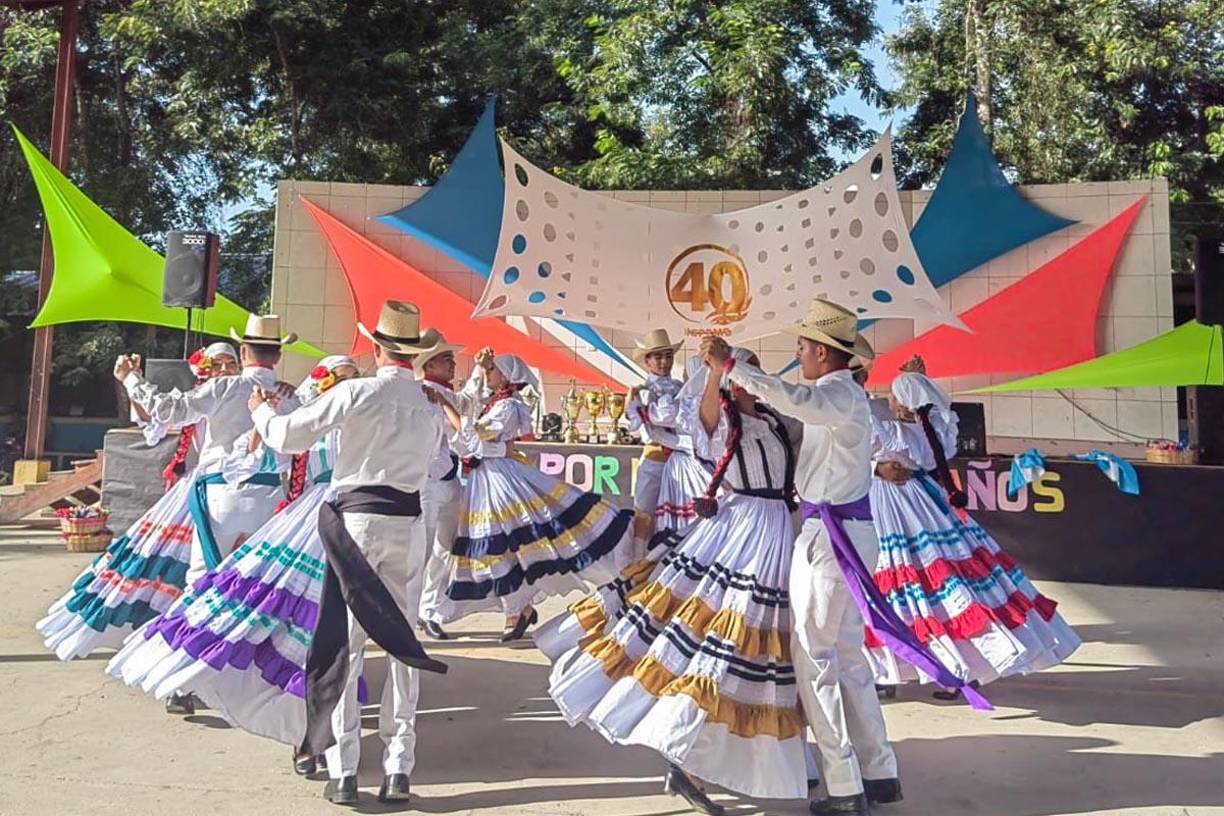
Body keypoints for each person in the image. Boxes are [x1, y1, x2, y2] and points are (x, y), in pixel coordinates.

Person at [537, 346, 806, 813]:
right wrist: (712, 368)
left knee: (760, 654)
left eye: (755, 371)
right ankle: (687, 762)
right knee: (726, 643)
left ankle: (741, 761)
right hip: (743, 530)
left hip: (776, 528)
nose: (752, 379)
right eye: (745, 373)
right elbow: (702, 419)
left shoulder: (778, 422)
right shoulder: (721, 423)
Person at [106, 356, 361, 778]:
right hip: (294, 522)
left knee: (325, 629)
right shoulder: (293, 415)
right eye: (340, 379)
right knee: (241, 603)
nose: (346, 388)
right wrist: (261, 434)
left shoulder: (348, 415)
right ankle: (198, 681)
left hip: (343, 522)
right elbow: (250, 451)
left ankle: (316, 734)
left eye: (353, 381)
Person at [251, 301, 446, 806]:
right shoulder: (428, 403)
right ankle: (399, 767)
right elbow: (435, 463)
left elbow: (289, 437)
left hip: (357, 522)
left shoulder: (359, 392)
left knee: (348, 643)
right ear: (413, 354)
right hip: (408, 521)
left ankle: (344, 769)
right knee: (402, 644)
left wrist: (262, 411)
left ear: (377, 347)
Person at [710, 299, 901, 816]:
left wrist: (735, 368)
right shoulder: (838, 398)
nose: (799, 357)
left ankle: (844, 785)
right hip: (843, 532)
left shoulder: (834, 393)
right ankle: (879, 771)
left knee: (814, 659)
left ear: (820, 351)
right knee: (846, 656)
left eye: (801, 348)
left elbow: (791, 398)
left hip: (829, 537)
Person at [117, 316, 300, 714]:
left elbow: (165, 409)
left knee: (202, 580)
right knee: (257, 583)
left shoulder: (225, 387)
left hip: (219, 494)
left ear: (245, 353)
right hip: (269, 497)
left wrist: (131, 378)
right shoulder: (292, 397)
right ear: (278, 355)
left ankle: (184, 679)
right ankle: (250, 675)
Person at [865, 365, 1081, 695]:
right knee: (945, 585)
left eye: (894, 394)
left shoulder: (888, 432)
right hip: (927, 503)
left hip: (892, 507)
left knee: (895, 586)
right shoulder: (930, 431)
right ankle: (957, 670)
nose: (889, 399)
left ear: (902, 401)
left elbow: (853, 448)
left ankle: (891, 673)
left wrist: (874, 468)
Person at [36, 342, 241, 664]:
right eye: (217, 365)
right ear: (205, 370)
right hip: (199, 493)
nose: (226, 371)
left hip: (244, 492)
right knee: (171, 572)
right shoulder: (204, 398)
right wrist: (131, 380)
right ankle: (173, 654)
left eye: (231, 364)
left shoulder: (246, 393)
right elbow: (156, 422)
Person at [436, 351, 635, 642]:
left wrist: (445, 407)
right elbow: (477, 440)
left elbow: (475, 439)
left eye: (492, 371)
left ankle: (518, 610)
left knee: (505, 544)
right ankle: (518, 608)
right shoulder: (499, 403)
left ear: (505, 376)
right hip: (488, 478)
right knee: (500, 548)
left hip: (500, 479)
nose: (488, 375)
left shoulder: (508, 406)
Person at [415, 333, 484, 641]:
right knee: (425, 547)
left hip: (447, 479)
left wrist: (481, 371)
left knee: (445, 548)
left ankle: (430, 608)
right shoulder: (424, 394)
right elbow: (460, 433)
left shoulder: (443, 393)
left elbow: (467, 405)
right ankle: (416, 607)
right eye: (446, 360)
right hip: (426, 481)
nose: (452, 364)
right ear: (430, 364)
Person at [625, 329, 685, 556]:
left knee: (678, 512)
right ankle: (638, 560)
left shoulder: (680, 387)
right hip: (655, 456)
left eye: (668, 356)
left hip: (679, 459)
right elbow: (636, 422)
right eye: (658, 357)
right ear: (647, 361)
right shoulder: (641, 391)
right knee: (644, 512)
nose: (664, 362)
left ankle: (669, 560)